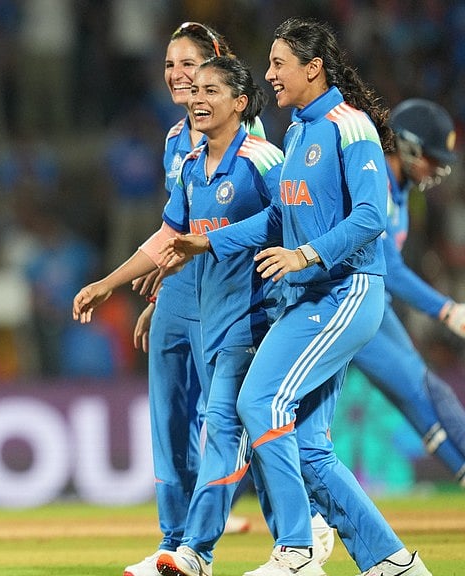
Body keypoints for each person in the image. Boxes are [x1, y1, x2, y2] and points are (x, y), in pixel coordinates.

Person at [162, 17, 431, 576]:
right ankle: (391, 562)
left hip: (345, 292)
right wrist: (205, 241)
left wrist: (304, 256)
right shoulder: (299, 132)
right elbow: (278, 217)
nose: (269, 74)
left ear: (313, 68)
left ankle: (298, 550)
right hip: (310, 297)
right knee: (308, 447)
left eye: (279, 64)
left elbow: (370, 217)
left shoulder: (348, 127)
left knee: (258, 402)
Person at [117, 22, 331, 576]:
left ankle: (288, 532)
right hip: (190, 290)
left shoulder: (256, 145)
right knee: (179, 419)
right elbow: (178, 231)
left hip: (246, 299)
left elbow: (288, 217)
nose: (179, 78)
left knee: (233, 421)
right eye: (170, 66)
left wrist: (298, 277)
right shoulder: (178, 148)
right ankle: (185, 541)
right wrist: (154, 288)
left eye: (191, 67)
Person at [74, 53, 283, 576]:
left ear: (240, 102)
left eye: (210, 89)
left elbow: (295, 222)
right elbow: (172, 240)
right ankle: (288, 543)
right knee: (233, 432)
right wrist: (110, 284)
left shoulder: (263, 159)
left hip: (255, 316)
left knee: (224, 429)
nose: (196, 97)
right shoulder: (189, 165)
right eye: (194, 89)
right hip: (210, 313)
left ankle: (204, 549)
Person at [351, 98, 465, 486]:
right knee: (424, 395)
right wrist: (446, 310)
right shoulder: (377, 180)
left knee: (424, 397)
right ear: (410, 146)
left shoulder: (399, 192)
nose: (437, 169)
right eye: (432, 158)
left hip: (374, 307)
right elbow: (390, 269)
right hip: (352, 309)